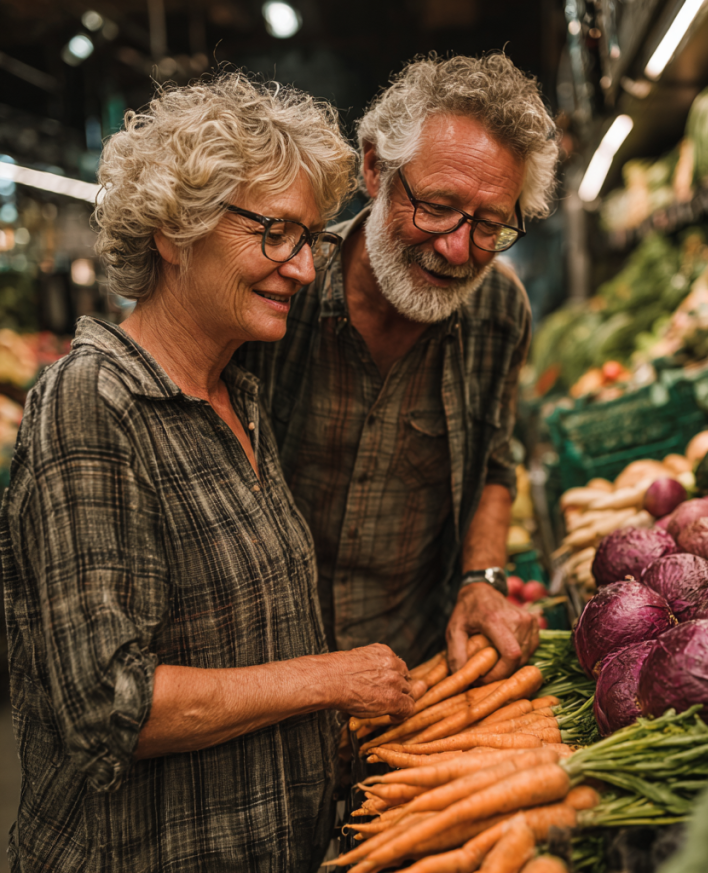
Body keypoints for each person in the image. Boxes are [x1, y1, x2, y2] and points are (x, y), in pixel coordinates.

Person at [0, 73, 415, 873]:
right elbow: (109, 702)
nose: (301, 269)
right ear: (173, 227)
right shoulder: (94, 402)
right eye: (275, 232)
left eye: (312, 240)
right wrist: (328, 679)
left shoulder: (239, 398)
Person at [241, 54, 560, 683]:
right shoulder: (281, 292)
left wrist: (482, 577)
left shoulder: (498, 311)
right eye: (437, 206)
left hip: (414, 673)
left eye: (491, 224)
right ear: (373, 168)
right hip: (268, 675)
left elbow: (495, 459)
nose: (458, 248)